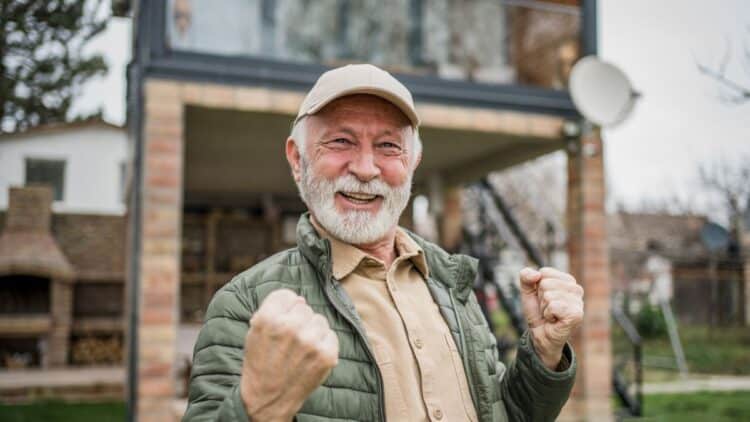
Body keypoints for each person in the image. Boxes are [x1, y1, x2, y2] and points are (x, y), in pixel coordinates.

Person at [182, 64, 584, 422]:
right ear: (297, 158)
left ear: (412, 162)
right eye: (341, 141)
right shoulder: (245, 305)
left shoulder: (451, 285)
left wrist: (544, 352)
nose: (365, 168)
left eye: (389, 146)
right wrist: (258, 407)